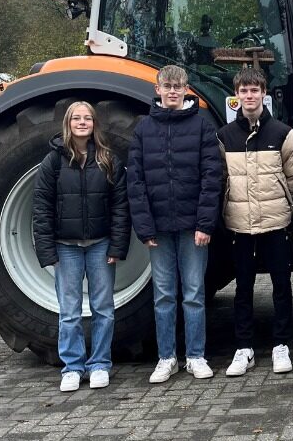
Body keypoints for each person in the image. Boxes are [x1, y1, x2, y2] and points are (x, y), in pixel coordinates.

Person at [127, 65, 222, 383]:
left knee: (194, 293)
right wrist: (145, 227)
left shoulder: (201, 127)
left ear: (186, 90)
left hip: (193, 226)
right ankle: (167, 357)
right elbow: (136, 181)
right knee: (164, 295)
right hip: (159, 229)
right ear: (157, 90)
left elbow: (212, 177)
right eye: (166, 86)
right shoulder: (143, 129)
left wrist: (205, 223)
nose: (171, 91)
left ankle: (196, 356)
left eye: (177, 86)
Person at [32, 101, 130, 392]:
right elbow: (42, 207)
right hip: (66, 247)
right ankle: (72, 366)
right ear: (69, 123)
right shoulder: (53, 161)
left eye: (87, 118)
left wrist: (117, 246)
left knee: (103, 308)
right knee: (70, 311)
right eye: (77, 118)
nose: (82, 122)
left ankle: (100, 363)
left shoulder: (107, 159)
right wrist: (47, 250)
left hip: (101, 245)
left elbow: (120, 207)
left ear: (94, 124)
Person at [217, 67, 293, 376]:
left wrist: (279, 201)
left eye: (255, 91)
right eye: (244, 91)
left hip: (275, 222)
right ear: (236, 95)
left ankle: (281, 345)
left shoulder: (282, 132)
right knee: (243, 287)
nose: (249, 96)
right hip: (240, 224)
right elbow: (222, 178)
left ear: (263, 95)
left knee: (282, 284)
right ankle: (244, 349)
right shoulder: (225, 136)